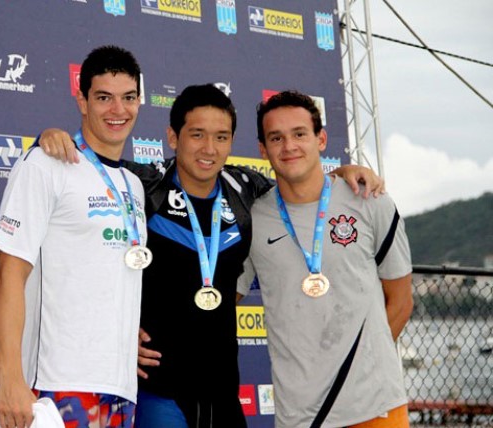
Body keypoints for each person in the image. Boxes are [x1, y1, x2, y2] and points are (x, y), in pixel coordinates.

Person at [38, 84, 385, 428]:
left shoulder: (245, 188)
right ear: (173, 137)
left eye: (221, 137)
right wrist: (50, 139)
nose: (209, 148)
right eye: (197, 135)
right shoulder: (142, 184)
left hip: (223, 395)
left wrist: (343, 173)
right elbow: (89, 178)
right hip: (159, 392)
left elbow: (299, 182)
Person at [0, 45, 147, 428]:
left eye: (128, 98)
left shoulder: (134, 184)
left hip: (120, 387)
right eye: (104, 98)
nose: (118, 110)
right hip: (55, 384)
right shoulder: (45, 164)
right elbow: (9, 274)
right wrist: (10, 378)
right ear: (82, 101)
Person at [237, 90, 413, 428]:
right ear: (262, 149)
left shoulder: (371, 201)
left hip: (376, 407)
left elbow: (402, 302)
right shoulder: (253, 220)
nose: (289, 146)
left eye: (300, 134)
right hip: (302, 416)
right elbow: (220, 299)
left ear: (321, 139)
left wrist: (357, 373)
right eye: (276, 138)